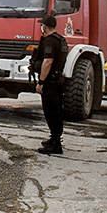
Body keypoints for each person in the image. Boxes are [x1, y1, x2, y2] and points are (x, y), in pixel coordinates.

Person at [34, 15, 68, 155]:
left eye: (42, 25)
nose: (41, 27)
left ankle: (55, 144)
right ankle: (54, 139)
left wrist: (41, 82)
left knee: (51, 112)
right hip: (58, 79)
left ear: (45, 26)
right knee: (57, 111)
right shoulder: (61, 40)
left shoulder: (50, 41)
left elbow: (48, 61)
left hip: (50, 82)